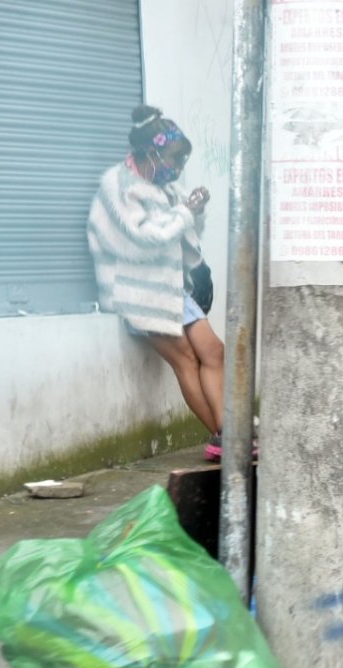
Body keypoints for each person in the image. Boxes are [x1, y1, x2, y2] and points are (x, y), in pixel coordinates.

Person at [88, 104, 227, 461]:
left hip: (171, 288)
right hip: (140, 292)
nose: (176, 169)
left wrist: (195, 212)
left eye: (180, 163)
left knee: (213, 351)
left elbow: (185, 234)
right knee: (185, 360)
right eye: (172, 160)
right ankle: (225, 436)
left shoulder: (161, 183)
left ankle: (230, 433)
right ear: (150, 152)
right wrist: (185, 212)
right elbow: (146, 237)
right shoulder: (117, 186)